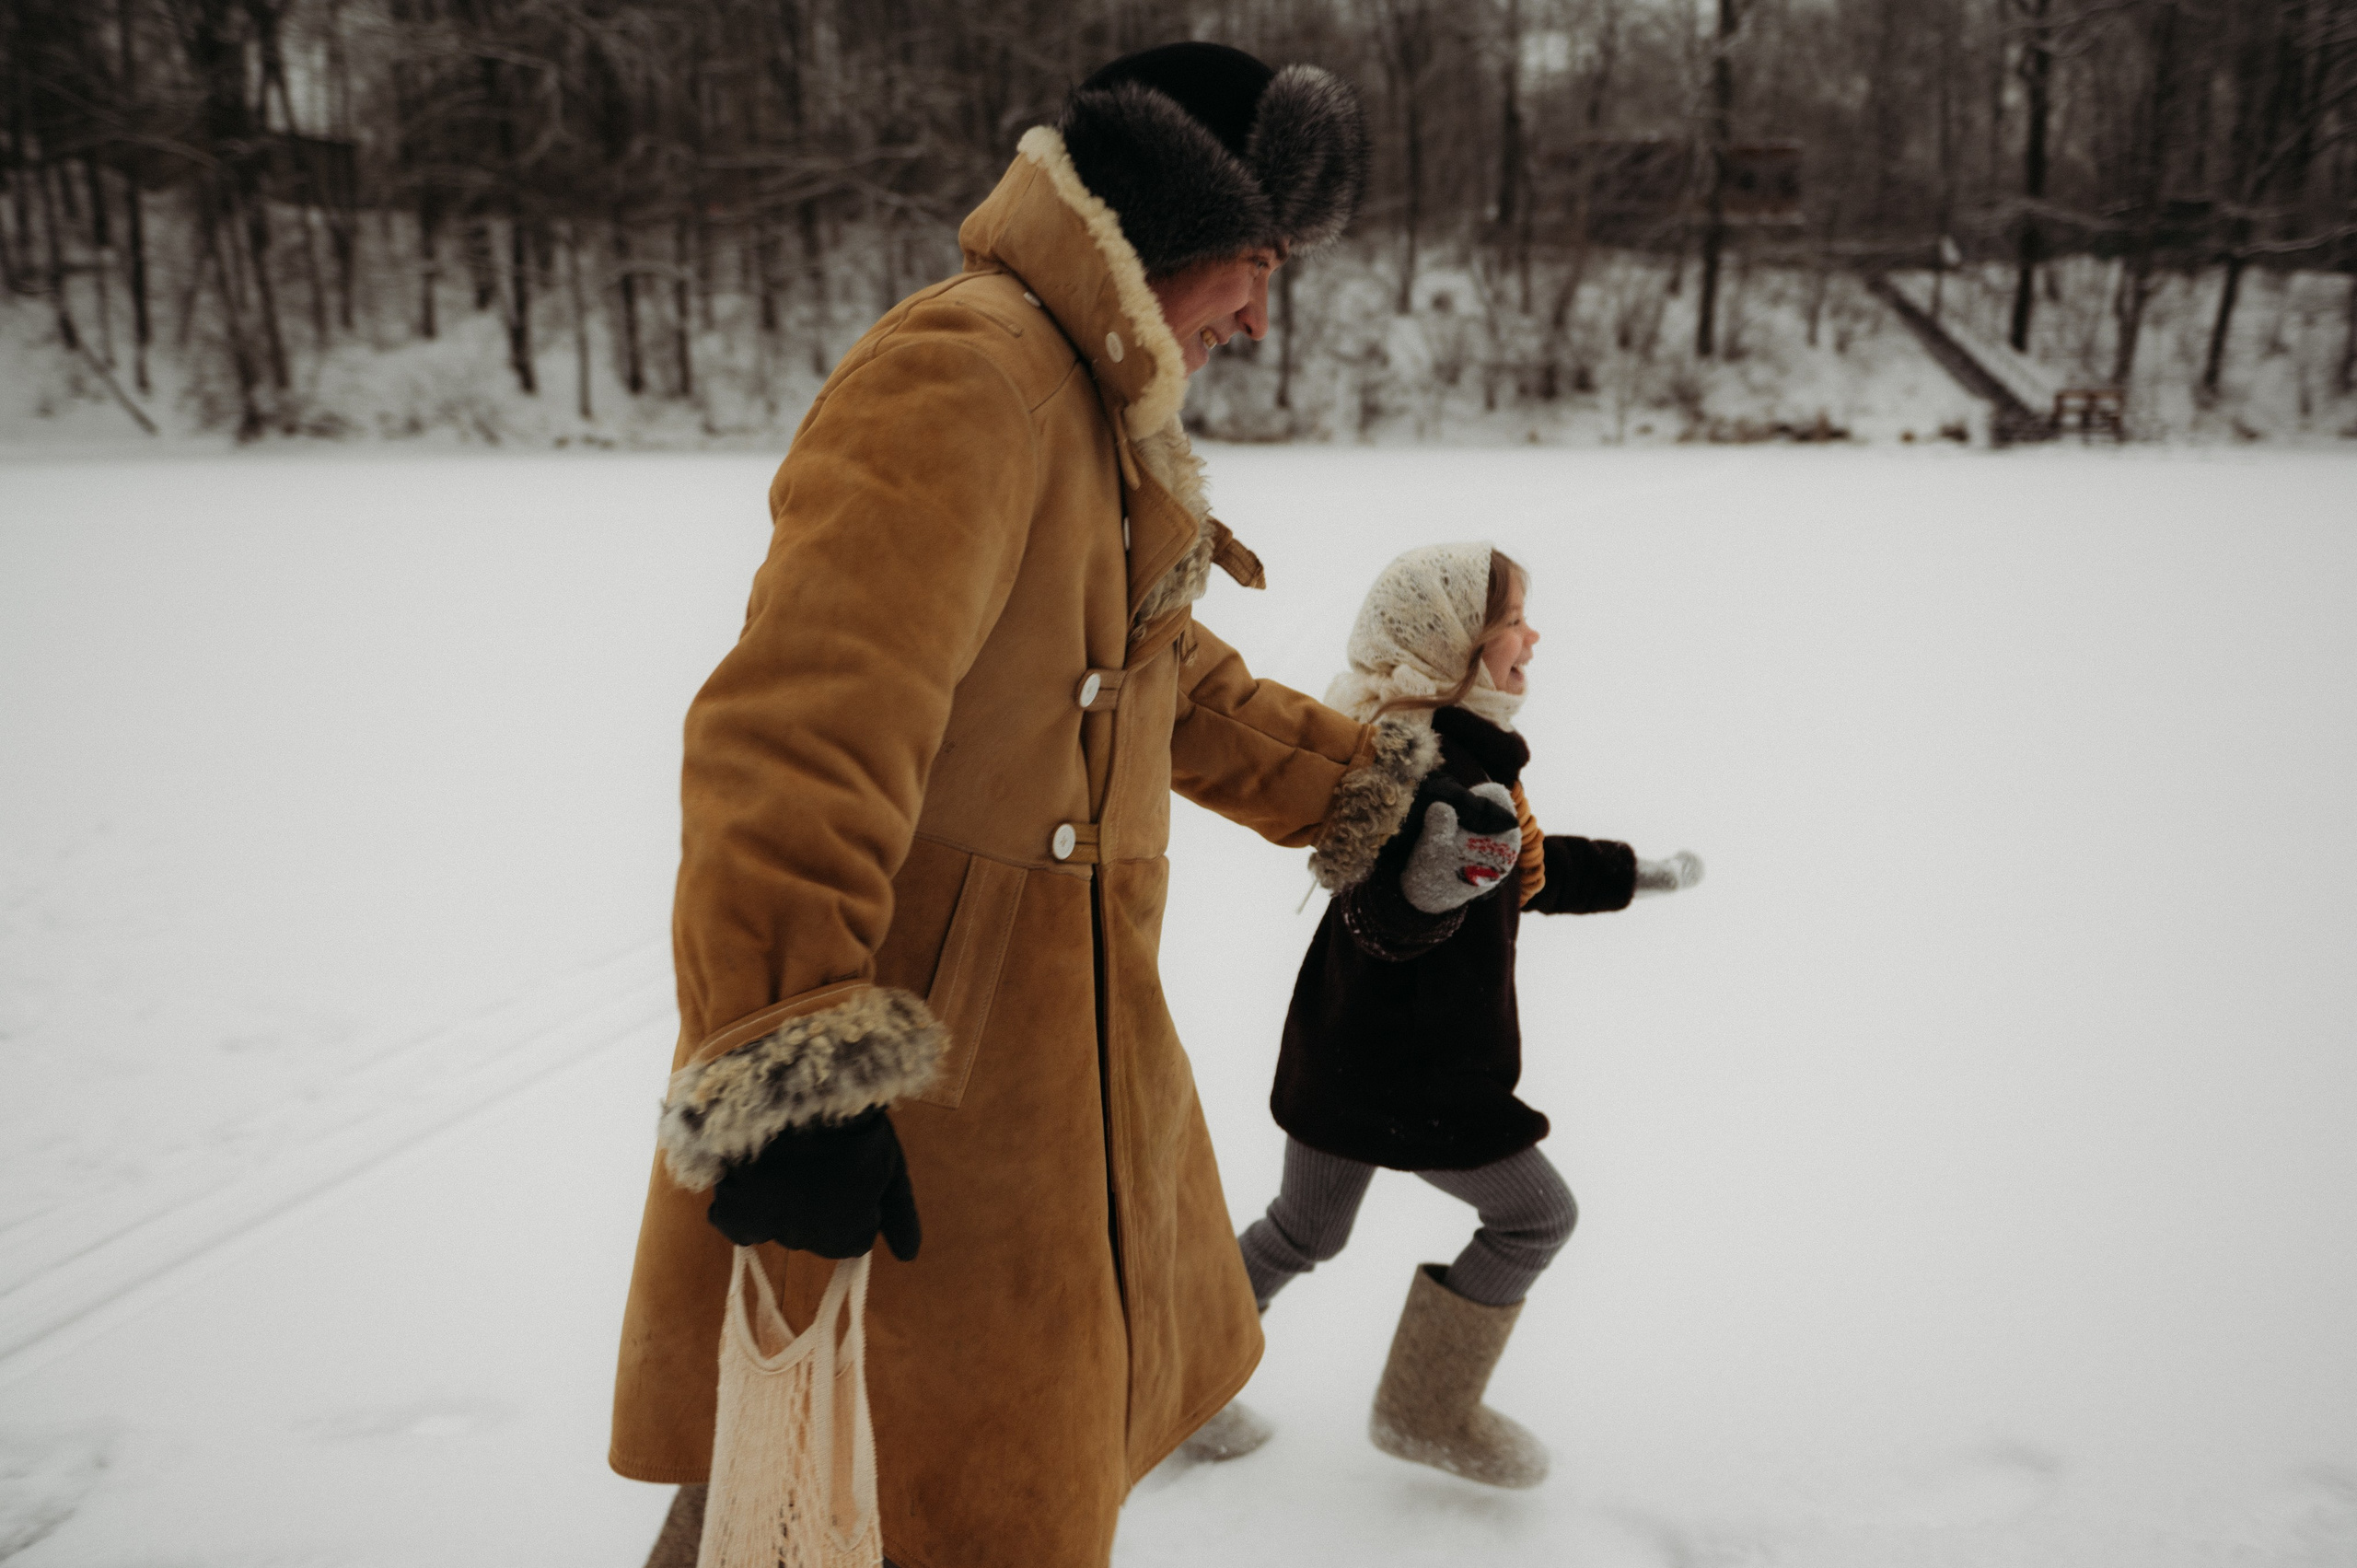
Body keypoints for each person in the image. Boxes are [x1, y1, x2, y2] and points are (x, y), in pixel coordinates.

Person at [609, 43, 1510, 1568]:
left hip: (1046, 1097)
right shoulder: (969, 371)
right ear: (1171, 223)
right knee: (809, 1499)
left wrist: (1374, 795)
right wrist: (793, 1075)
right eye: (1256, 265)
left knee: (940, 1492)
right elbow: (796, 730)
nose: (1259, 314)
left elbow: (1173, 681)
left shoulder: (1087, 408)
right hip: (912, 1113)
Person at [1224, 543, 1705, 1489]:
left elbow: (1515, 871)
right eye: (1513, 619)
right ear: (1454, 645)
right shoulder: (1416, 768)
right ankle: (1424, 1408)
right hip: (1417, 1074)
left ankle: (1165, 1381)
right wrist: (1426, 890)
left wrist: (1627, 871)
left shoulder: (1457, 753)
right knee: (1536, 1217)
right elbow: (1373, 906)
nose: (1532, 634)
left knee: (1302, 1230)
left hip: (1342, 1054)